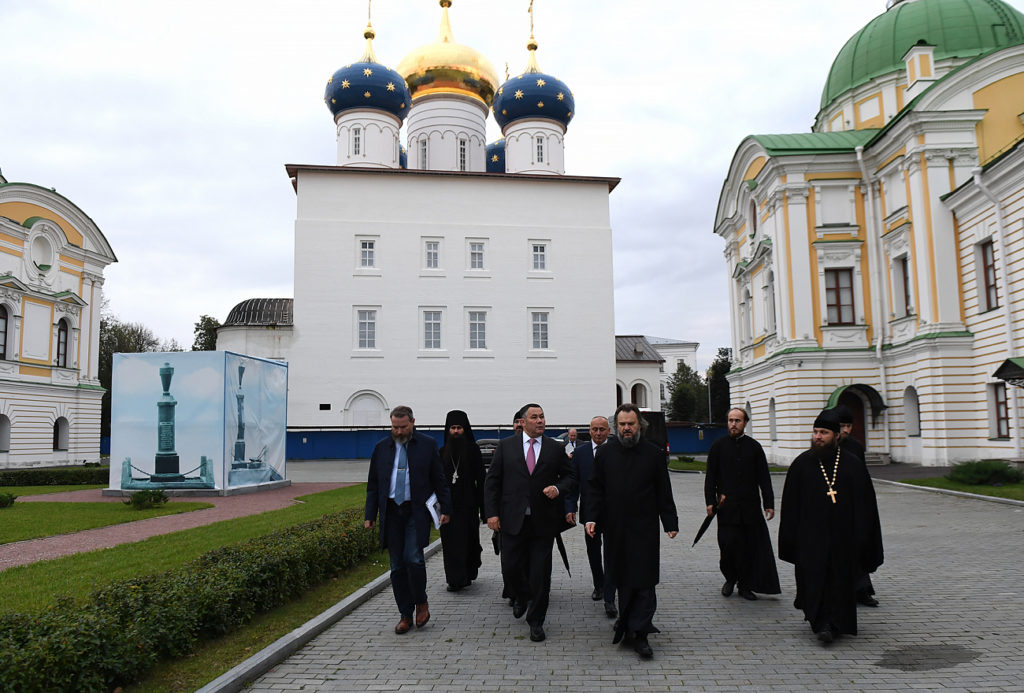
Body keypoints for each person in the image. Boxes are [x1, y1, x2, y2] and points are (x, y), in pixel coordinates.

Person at [778, 408, 884, 645]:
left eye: (823, 432)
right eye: (815, 432)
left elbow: (865, 505)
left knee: (839, 581)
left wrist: (863, 537)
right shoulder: (801, 464)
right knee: (814, 580)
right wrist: (791, 538)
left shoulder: (852, 465)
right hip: (810, 538)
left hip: (842, 538)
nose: (818, 437)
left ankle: (835, 623)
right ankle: (821, 623)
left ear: (836, 436)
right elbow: (790, 506)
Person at [587, 403, 678, 659]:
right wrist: (591, 518)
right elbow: (595, 488)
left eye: (631, 424)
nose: (627, 428)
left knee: (645, 580)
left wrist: (670, 522)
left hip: (644, 529)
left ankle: (641, 633)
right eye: (623, 424)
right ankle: (628, 623)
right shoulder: (605, 454)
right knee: (623, 579)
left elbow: (663, 491)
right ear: (616, 427)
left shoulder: (654, 454)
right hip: (615, 528)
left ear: (640, 426)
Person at [484, 403, 577, 643]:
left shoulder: (554, 448)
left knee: (540, 573)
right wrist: (491, 514)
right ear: (523, 422)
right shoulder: (506, 446)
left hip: (542, 522)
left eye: (542, 416)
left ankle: (536, 621)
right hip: (512, 520)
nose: (540, 420)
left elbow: (570, 476)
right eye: (534, 417)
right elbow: (492, 482)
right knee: (510, 568)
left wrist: (558, 488)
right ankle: (522, 595)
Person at [364, 405, 452, 635]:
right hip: (392, 512)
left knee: (413, 558)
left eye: (403, 427)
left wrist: (446, 508)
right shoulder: (381, 448)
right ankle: (405, 614)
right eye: (395, 427)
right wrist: (370, 515)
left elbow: (439, 479)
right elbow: (373, 484)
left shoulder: (427, 445)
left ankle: (421, 602)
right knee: (397, 566)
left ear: (413, 422)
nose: (399, 431)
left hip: (416, 511)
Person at [704, 407, 780, 601]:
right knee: (727, 546)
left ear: (745, 423)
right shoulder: (718, 446)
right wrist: (710, 501)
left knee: (748, 548)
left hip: (749, 508)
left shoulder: (754, 447)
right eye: (730, 420)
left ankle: (745, 585)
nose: (733, 424)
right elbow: (710, 477)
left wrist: (769, 503)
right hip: (726, 507)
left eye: (737, 421)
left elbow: (764, 478)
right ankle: (730, 578)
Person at [565, 415, 616, 617]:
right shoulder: (580, 453)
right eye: (595, 429)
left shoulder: (616, 450)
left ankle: (610, 596)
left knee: (611, 553)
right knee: (593, 551)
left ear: (608, 431)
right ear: (589, 431)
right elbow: (573, 482)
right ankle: (599, 585)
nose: (598, 433)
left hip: (613, 513)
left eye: (602, 429)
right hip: (590, 513)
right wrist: (570, 507)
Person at [833, 404, 879, 608]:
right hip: (835, 507)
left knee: (858, 549)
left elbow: (863, 476)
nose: (846, 430)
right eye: (842, 426)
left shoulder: (856, 446)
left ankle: (862, 590)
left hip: (854, 507)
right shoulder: (827, 447)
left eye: (849, 426)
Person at [439, 409, 486, 592]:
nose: (456, 431)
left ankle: (469, 571)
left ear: (465, 429)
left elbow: (481, 479)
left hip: (469, 504)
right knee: (451, 544)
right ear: (448, 430)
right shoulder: (442, 452)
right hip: (448, 506)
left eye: (459, 428)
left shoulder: (473, 450)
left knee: (469, 541)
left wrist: (485, 509)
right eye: (453, 428)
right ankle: (455, 580)